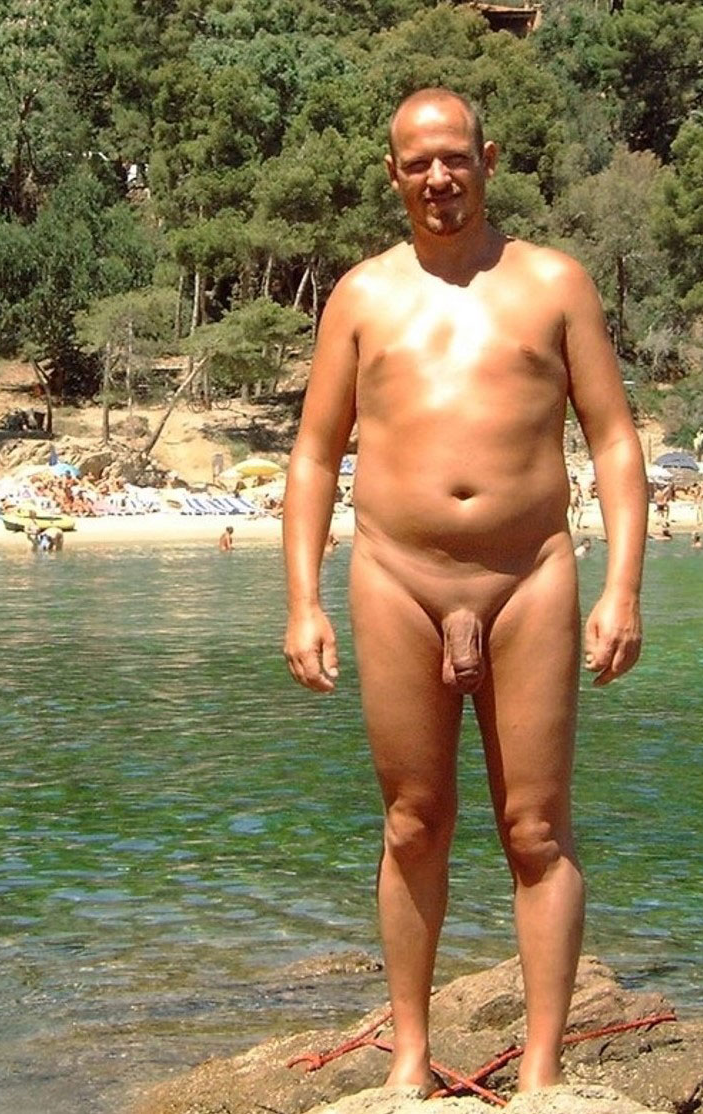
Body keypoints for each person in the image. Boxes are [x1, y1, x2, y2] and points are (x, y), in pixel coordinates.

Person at [282, 88, 647, 1094]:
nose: (437, 178)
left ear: (487, 159)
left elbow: (614, 440)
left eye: (454, 158)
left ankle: (541, 1074)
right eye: (417, 163)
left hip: (529, 576)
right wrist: (303, 600)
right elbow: (313, 454)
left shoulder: (553, 283)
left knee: (536, 829)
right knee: (412, 820)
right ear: (393, 175)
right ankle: (407, 1059)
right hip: (395, 576)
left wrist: (622, 586)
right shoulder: (360, 296)